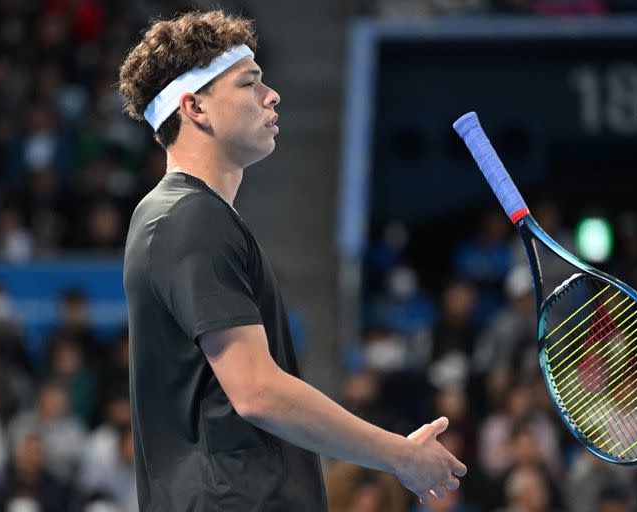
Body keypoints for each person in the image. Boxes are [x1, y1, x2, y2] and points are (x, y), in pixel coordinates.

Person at [119, 10, 466, 511]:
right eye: (250, 82)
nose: (272, 94)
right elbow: (258, 391)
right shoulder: (188, 218)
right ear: (195, 107)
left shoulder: (180, 216)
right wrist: (399, 454)